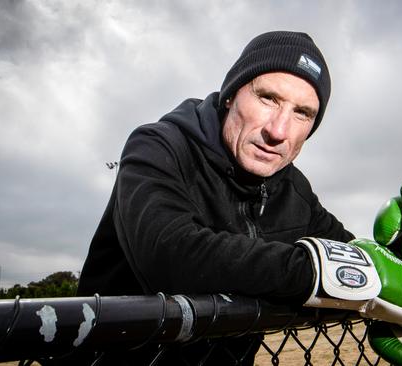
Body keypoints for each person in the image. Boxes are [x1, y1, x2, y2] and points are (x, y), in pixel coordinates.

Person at [76, 30, 354, 365]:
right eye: (268, 98)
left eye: (302, 113)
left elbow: (353, 254)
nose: (278, 131)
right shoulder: (158, 146)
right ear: (230, 96)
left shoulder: (293, 189)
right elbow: (169, 254)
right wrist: (316, 272)